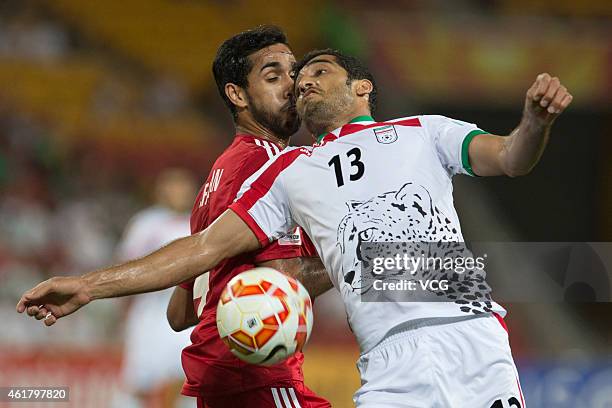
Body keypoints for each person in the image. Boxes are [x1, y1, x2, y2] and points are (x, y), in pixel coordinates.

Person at [17, 47, 573, 407]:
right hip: (388, 361)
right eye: (297, 78)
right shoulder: (289, 171)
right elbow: (203, 248)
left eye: (319, 72)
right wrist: (90, 284)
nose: (304, 83)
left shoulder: (423, 130)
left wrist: (534, 123)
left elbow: (510, 158)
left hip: (474, 338)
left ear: (363, 88)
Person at [162, 26, 331, 408]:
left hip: (217, 378)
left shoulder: (217, 177)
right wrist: (364, 256)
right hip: (257, 372)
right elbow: (284, 281)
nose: (293, 85)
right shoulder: (272, 165)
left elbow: (179, 312)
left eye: (294, 72)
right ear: (236, 94)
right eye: (273, 77)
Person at [114, 168, 195, 408]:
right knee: (138, 382)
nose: (179, 191)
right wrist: (125, 313)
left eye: (184, 186)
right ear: (161, 191)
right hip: (150, 314)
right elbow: (125, 267)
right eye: (174, 186)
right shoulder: (146, 223)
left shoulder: (200, 222)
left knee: (192, 381)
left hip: (187, 313)